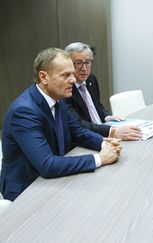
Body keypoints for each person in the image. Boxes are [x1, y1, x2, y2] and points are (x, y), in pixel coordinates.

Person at [0, 48, 122, 201]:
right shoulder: (24, 111)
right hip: (26, 191)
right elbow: (47, 165)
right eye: (65, 75)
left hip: (53, 181)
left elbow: (78, 132)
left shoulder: (58, 99)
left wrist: (105, 144)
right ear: (43, 77)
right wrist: (100, 159)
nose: (73, 79)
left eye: (72, 73)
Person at [64, 42, 142, 140]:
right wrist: (111, 131)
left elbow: (98, 107)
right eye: (79, 63)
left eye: (87, 62)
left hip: (105, 131)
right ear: (68, 64)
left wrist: (106, 117)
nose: (84, 68)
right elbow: (78, 123)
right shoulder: (66, 89)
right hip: (89, 137)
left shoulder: (91, 80)